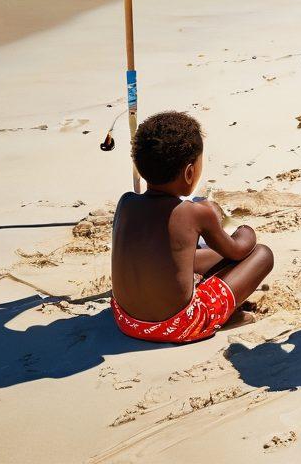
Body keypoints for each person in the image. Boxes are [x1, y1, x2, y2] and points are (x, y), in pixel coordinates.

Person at [110, 111, 273, 343]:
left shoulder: (126, 202)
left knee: (186, 256)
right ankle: (223, 317)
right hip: (178, 326)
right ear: (189, 173)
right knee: (262, 255)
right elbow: (238, 250)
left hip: (127, 321)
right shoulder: (195, 214)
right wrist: (245, 231)